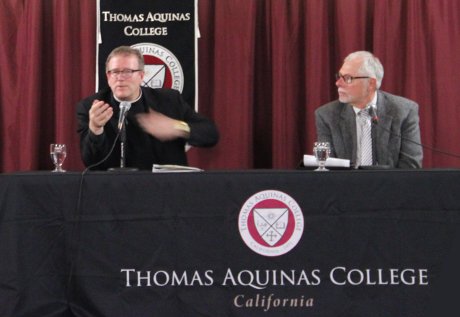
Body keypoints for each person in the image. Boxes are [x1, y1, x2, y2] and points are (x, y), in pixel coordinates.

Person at [76, 46, 219, 170]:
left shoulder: (168, 100)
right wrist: (95, 130)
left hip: (165, 187)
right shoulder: (92, 107)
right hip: (115, 189)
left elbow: (211, 134)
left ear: (141, 75)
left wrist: (176, 127)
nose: (120, 78)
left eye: (127, 72)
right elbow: (91, 162)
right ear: (108, 76)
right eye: (115, 72)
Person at [314, 51, 423, 168]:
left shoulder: (404, 111)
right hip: (346, 184)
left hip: (391, 184)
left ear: (371, 83)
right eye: (339, 76)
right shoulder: (327, 115)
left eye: (348, 78)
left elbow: (410, 166)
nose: (338, 83)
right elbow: (327, 165)